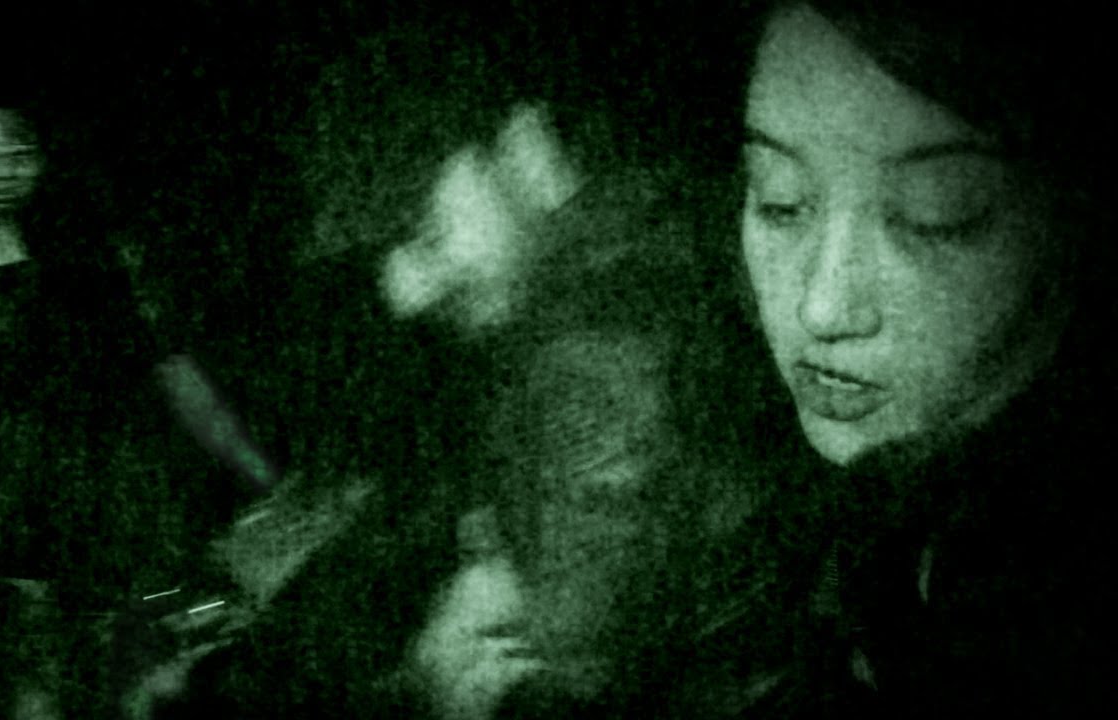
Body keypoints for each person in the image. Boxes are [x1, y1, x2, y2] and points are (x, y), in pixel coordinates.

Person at [181, 1, 1111, 717]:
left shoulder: (594, 346)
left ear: (528, 151)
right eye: (779, 199)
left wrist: (424, 692)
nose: (405, 292)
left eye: (422, 233)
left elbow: (585, 662)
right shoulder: (648, 230)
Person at [0, 101, 275, 718]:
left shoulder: (98, 273)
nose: (2, 172)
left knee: (161, 677)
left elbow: (182, 385)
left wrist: (259, 478)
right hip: (21, 570)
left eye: (18, 155)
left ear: (42, 163)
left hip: (127, 550)